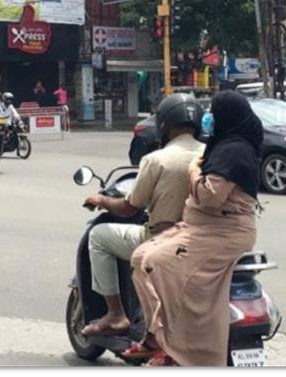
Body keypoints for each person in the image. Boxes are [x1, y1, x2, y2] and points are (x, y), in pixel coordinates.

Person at [128, 91, 263, 366]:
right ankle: (156, 334)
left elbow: (210, 196)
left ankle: (175, 348)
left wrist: (193, 170)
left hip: (221, 232)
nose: (209, 117)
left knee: (155, 264)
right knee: (141, 256)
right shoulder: (222, 145)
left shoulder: (235, 150)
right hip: (202, 228)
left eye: (214, 111)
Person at [79, 93, 204, 338]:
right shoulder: (210, 154)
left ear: (164, 125)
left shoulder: (155, 160)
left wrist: (101, 200)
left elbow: (129, 208)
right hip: (202, 240)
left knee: (98, 236)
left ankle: (116, 314)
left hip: (161, 240)